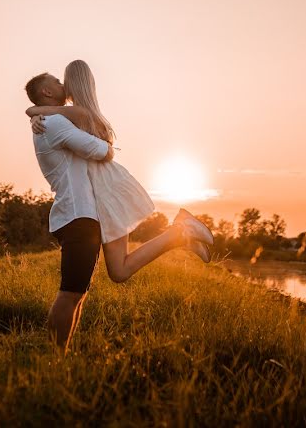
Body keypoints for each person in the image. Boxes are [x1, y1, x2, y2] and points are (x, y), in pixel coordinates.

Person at [24, 66, 212, 354]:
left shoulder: (53, 120)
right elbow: (103, 151)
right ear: (47, 91)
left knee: (82, 291)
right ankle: (53, 361)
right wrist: (37, 113)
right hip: (78, 216)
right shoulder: (53, 123)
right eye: (57, 82)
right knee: (74, 293)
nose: (63, 84)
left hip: (85, 213)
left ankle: (58, 360)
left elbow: (89, 133)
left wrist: (36, 112)